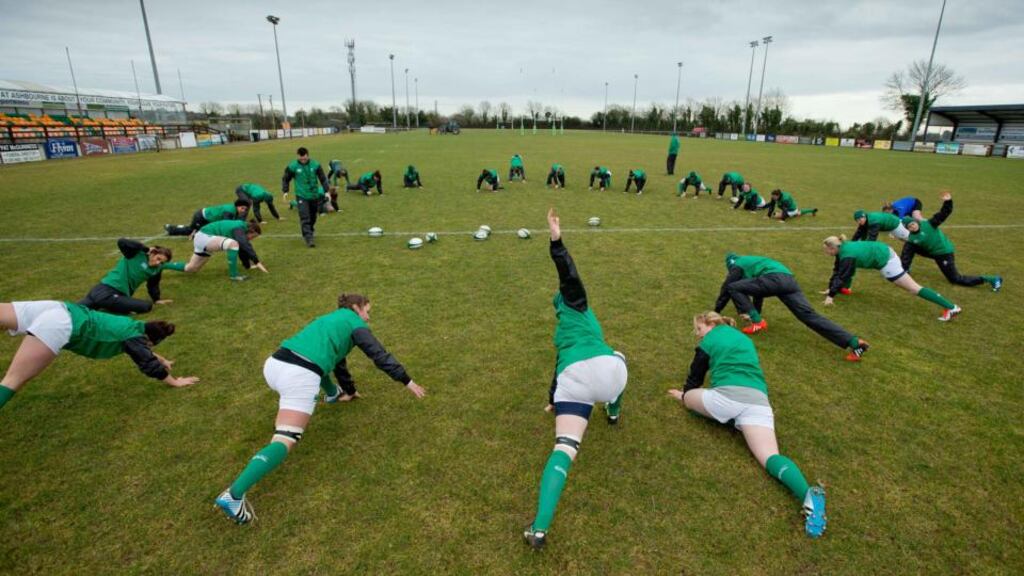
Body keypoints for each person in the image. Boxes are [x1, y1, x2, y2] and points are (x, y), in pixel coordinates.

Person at [214, 293, 426, 524]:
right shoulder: (355, 324)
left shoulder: (330, 320)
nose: (368, 318)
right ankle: (233, 495)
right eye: (367, 311)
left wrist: (349, 390)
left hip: (274, 365)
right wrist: (407, 381)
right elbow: (379, 355)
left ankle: (334, 394)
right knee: (285, 439)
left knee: (319, 366)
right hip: (299, 376)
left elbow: (336, 359)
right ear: (356, 307)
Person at [666, 312, 827, 538]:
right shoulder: (745, 339)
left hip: (726, 400)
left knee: (690, 398)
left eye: (699, 330)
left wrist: (684, 395)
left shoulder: (710, 340)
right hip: (759, 403)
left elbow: (696, 373)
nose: (698, 335)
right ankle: (807, 495)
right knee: (770, 457)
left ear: (711, 324)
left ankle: (728, 419)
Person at [523, 208, 628, 550]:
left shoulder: (561, 331)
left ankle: (539, 529)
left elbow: (557, 368)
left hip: (573, 379)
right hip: (608, 373)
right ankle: (613, 411)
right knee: (620, 356)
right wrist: (557, 241)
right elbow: (569, 275)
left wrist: (554, 398)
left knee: (564, 449)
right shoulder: (578, 306)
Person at [0, 300, 198, 411]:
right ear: (149, 338)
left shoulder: (132, 325)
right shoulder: (134, 338)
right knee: (13, 380)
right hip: (60, 324)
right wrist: (174, 382)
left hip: (59, 307)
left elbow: (142, 348)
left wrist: (162, 359)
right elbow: (146, 360)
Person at [714, 252, 869, 361]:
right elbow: (758, 292)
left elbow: (726, 288)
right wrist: (755, 311)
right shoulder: (753, 262)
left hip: (774, 278)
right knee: (809, 316)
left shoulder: (736, 265)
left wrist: (716, 311)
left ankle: (758, 322)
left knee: (733, 287)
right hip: (789, 280)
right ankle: (855, 343)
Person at [821, 235, 961, 321]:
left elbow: (843, 274)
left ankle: (951, 307)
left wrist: (830, 296)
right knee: (845, 273)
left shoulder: (847, 255)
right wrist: (831, 288)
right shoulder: (843, 248)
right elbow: (838, 270)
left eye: (826, 250)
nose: (825, 252)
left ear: (833, 248)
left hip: (887, 262)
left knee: (914, 289)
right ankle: (844, 289)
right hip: (885, 251)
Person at [900, 192, 1002, 292]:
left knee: (955, 279)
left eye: (912, 224)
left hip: (943, 253)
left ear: (916, 221)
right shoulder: (912, 237)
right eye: (909, 227)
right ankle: (903, 270)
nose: (912, 227)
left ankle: (991, 279)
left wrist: (948, 202)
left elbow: (944, 213)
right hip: (932, 251)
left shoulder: (929, 224)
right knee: (909, 245)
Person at [79, 238, 185, 315]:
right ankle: (106, 307)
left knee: (76, 311)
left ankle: (103, 306)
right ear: (152, 253)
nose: (158, 263)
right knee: (144, 306)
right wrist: (145, 249)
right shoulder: (135, 254)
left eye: (162, 262)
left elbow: (153, 285)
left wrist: (156, 299)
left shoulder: (157, 269)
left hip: (117, 295)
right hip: (105, 289)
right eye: (158, 258)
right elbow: (122, 242)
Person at [185, 220, 267, 281]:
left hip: (202, 239)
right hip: (205, 237)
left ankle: (171, 264)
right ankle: (234, 276)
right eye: (253, 236)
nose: (251, 239)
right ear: (251, 231)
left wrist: (248, 266)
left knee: (191, 268)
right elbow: (244, 244)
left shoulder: (240, 228)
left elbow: (242, 248)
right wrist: (257, 262)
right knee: (233, 244)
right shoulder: (239, 228)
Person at [282, 147, 329, 248]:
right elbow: (285, 178)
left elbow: (323, 178)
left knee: (313, 216)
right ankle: (309, 238)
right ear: (298, 156)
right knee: (305, 216)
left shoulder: (316, 165)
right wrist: (285, 191)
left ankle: (310, 230)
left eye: (304, 158)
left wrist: (326, 191)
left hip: (314, 195)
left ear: (308, 155)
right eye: (301, 158)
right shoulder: (293, 166)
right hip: (301, 195)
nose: (303, 160)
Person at [164, 200, 250, 237]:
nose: (244, 210)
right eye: (242, 208)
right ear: (237, 206)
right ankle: (170, 228)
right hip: (201, 217)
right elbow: (226, 224)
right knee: (192, 231)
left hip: (207, 218)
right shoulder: (230, 211)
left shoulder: (233, 210)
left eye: (245, 209)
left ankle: (172, 228)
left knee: (205, 232)